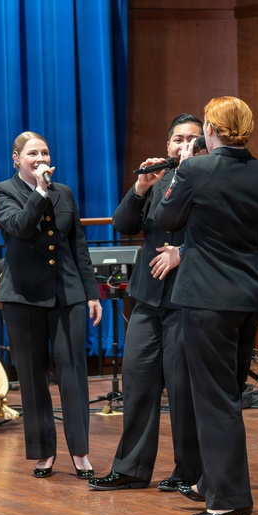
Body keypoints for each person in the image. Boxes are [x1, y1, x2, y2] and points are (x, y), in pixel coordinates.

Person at [153, 96, 258, 515]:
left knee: (214, 400)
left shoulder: (195, 168)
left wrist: (180, 168)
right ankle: (212, 483)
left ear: (210, 129)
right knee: (227, 394)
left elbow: (167, 217)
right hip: (247, 297)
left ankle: (228, 497)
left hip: (206, 299)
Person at [88, 114, 202, 492]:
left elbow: (214, 236)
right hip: (147, 297)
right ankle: (132, 468)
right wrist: (139, 187)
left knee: (183, 390)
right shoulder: (157, 179)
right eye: (177, 139)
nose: (182, 145)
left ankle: (189, 472)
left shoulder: (206, 179)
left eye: (191, 139)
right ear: (167, 144)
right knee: (137, 381)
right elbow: (124, 224)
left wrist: (182, 252)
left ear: (202, 146)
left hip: (186, 297)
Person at [0, 131, 103, 479]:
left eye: (45, 152)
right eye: (32, 154)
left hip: (67, 293)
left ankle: (80, 452)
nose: (40, 159)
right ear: (17, 159)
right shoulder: (2, 191)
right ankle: (43, 453)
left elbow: (77, 245)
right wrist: (39, 191)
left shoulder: (64, 192)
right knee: (33, 377)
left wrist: (92, 293)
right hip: (22, 297)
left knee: (73, 374)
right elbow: (20, 228)